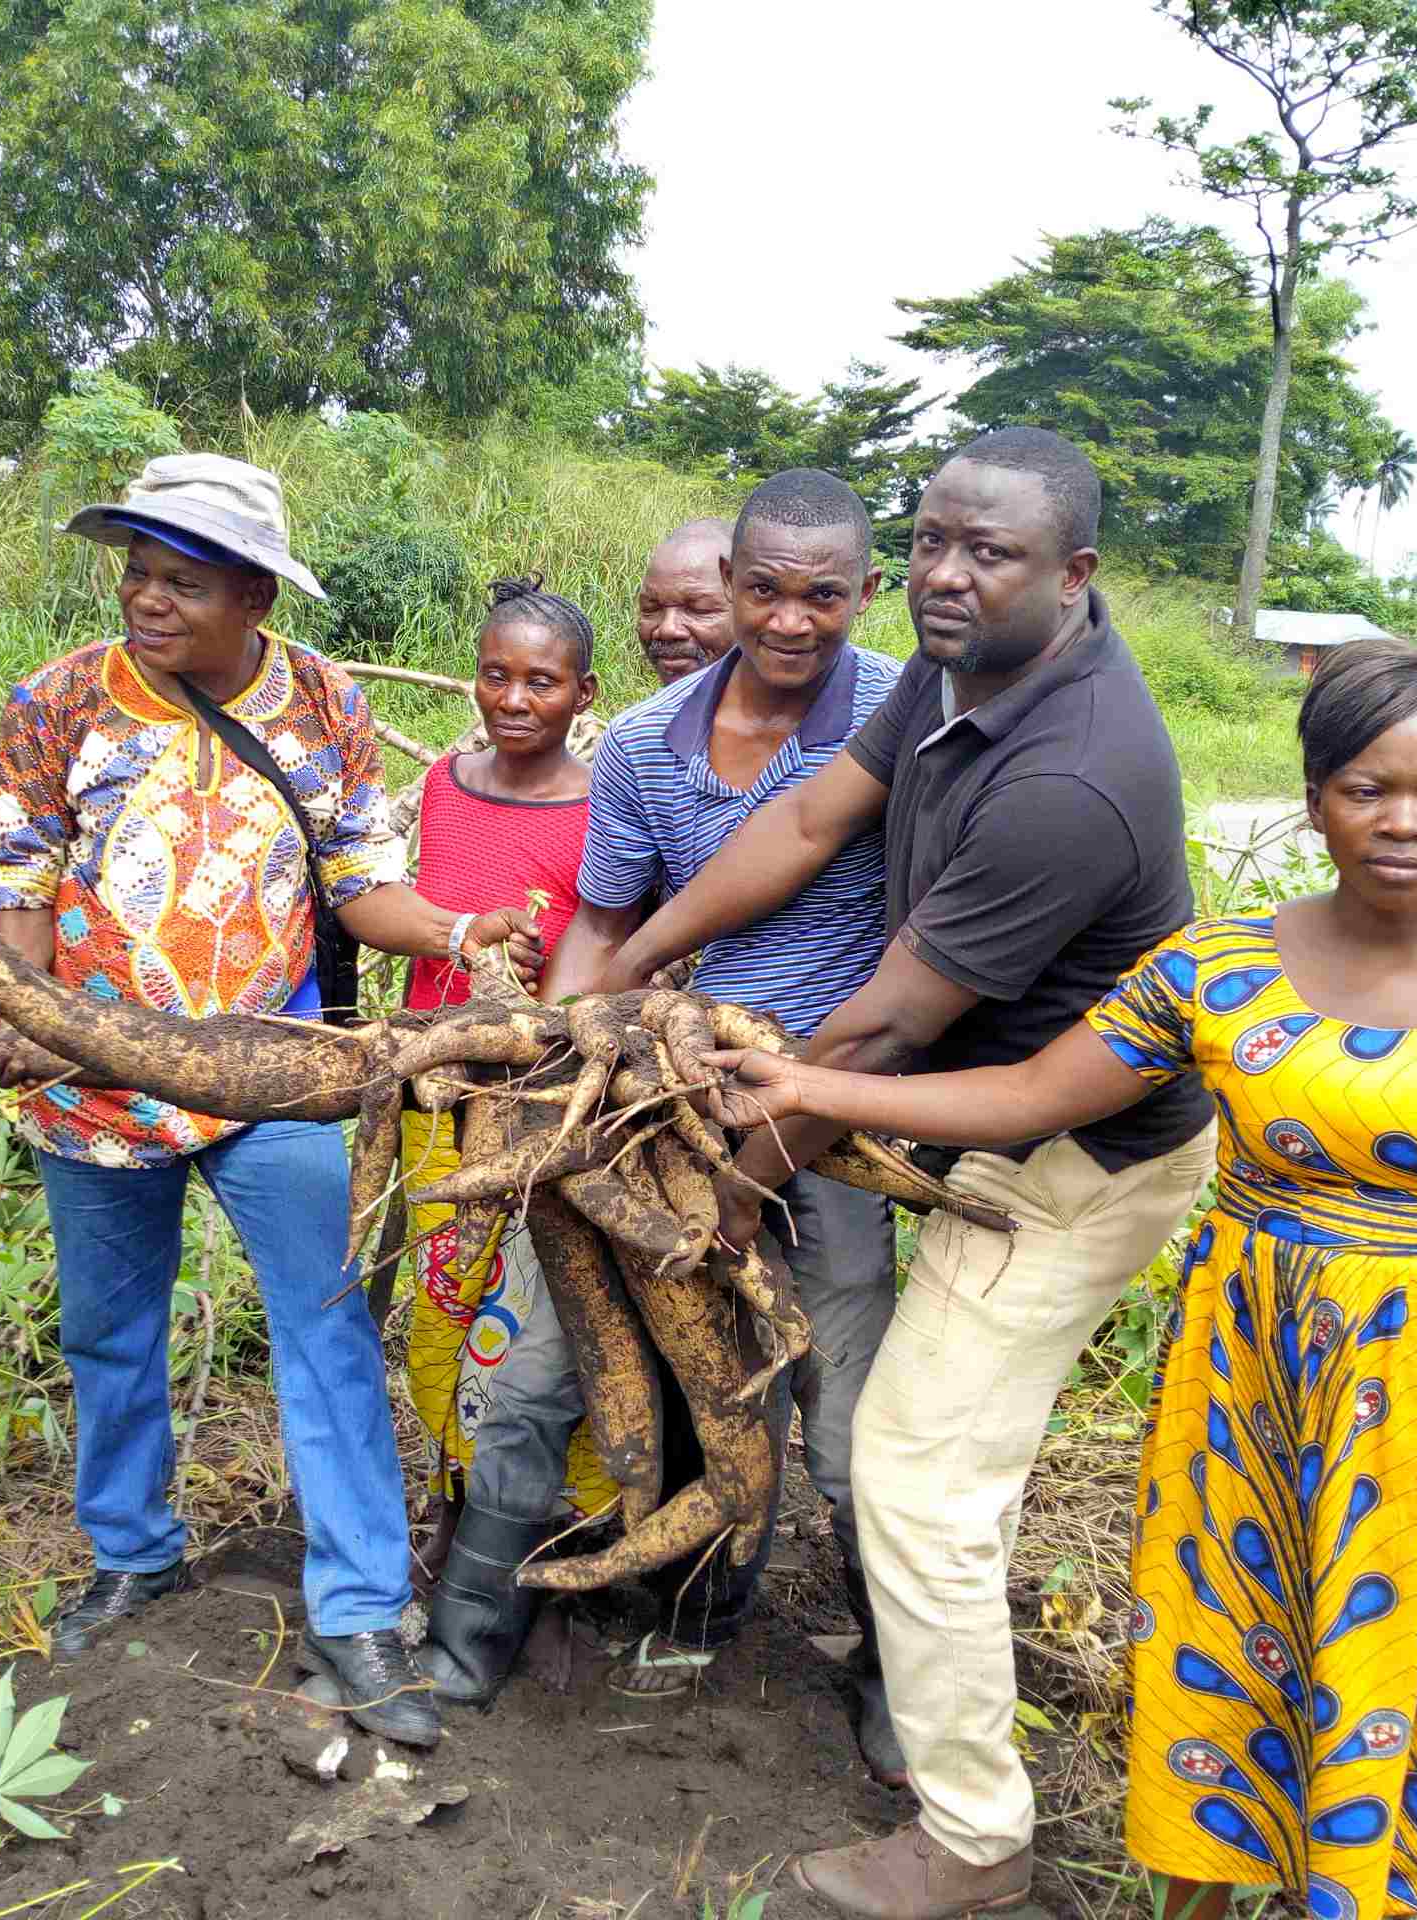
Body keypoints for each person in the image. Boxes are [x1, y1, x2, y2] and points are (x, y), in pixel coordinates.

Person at [709, 638, 1417, 1920]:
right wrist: (815, 1087)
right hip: (1250, 1371)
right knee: (1223, 1638)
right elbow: (1030, 1091)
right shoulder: (1214, 970)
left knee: (1403, 1649)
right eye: (1365, 789)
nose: (1402, 823)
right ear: (1313, 796)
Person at [597, 428, 1218, 1915]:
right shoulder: (966, 670)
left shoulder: (1072, 774)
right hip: (982, 1126)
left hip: (1070, 1156)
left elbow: (882, 1017)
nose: (945, 573)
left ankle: (972, 1841)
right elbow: (804, 824)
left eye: (985, 552)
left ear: (1073, 577)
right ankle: (936, 1671)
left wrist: (724, 1181)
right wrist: (622, 970)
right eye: (932, 539)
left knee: (913, 1469)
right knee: (946, 1445)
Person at [0, 453, 538, 1752]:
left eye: (181, 580)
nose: (147, 601)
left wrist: (458, 924)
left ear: (254, 593)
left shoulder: (320, 701)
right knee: (110, 1335)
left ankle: (355, 1607)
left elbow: (357, 880)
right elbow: (12, 879)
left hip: (276, 1076)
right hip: (98, 1086)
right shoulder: (58, 702)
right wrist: (24, 1010)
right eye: (136, 572)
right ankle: (134, 1552)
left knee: (328, 1333)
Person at [427, 471, 911, 1785]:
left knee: (835, 1401)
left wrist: (784, 1135)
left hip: (828, 1119)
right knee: (535, 1369)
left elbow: (924, 943)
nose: (793, 619)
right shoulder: (645, 742)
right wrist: (557, 1065)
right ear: (732, 590)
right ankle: (472, 1628)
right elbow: (600, 921)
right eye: (766, 589)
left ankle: (874, 1670)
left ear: (868, 593)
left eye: (825, 593)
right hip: (648, 1107)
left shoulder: (907, 713)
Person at [399, 576, 621, 1570]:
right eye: (495, 675)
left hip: (551, 1101)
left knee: (542, 1316)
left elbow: (622, 945)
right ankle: (453, 1492)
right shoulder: (444, 783)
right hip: (438, 1092)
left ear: (584, 693)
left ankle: (554, 1520)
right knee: (444, 1301)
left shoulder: (609, 800)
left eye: (542, 680)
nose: (515, 699)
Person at [634, 515, 736, 685]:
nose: (667, 629)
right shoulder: (647, 712)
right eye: (651, 609)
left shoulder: (792, 708)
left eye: (699, 609)